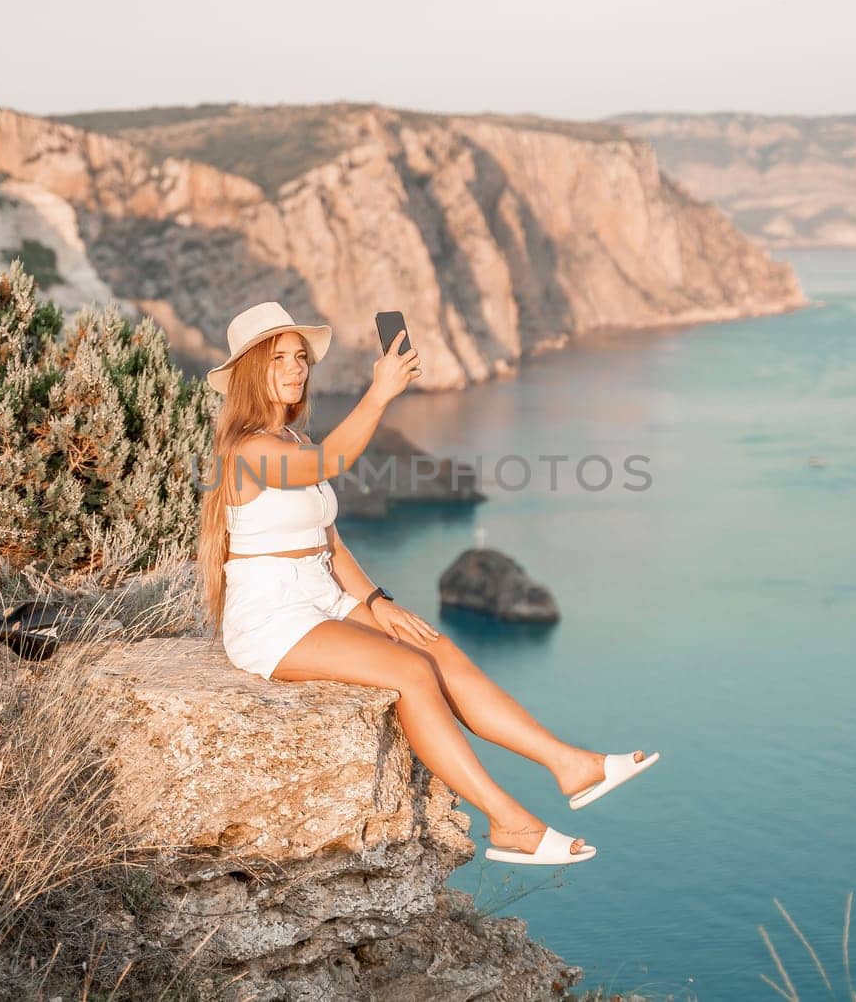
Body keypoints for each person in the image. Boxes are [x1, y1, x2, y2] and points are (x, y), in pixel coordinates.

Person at [196, 301, 659, 865]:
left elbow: (329, 541)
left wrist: (375, 601)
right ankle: (509, 822)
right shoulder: (247, 449)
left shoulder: (290, 441)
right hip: (272, 616)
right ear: (249, 373)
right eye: (278, 360)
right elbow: (331, 464)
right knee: (411, 673)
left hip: (323, 594)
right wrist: (381, 392)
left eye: (299, 357)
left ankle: (570, 764)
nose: (295, 369)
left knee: (435, 649)